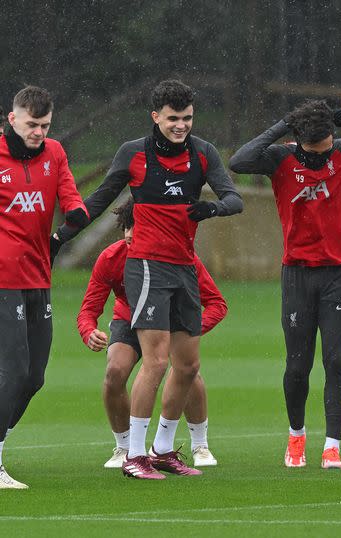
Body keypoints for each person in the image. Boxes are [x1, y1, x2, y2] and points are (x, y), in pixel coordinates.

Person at [54, 79, 243, 479]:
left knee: (187, 367)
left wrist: (211, 210)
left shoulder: (203, 153)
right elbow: (99, 200)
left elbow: (234, 198)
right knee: (155, 361)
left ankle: (161, 450)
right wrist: (59, 238)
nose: (181, 126)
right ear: (155, 117)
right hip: (146, 266)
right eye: (173, 118)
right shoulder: (134, 154)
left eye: (187, 118)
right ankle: (134, 456)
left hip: (184, 267)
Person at [230, 100, 341, 469]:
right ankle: (296, 438)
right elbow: (239, 161)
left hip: (337, 274)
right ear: (298, 142)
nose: (322, 158)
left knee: (336, 360)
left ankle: (332, 446)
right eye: (315, 153)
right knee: (297, 365)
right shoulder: (279, 159)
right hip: (296, 274)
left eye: (327, 148)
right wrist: (282, 124)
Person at [77, 197, 227, 469]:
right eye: (127, 227)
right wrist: (89, 332)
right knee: (115, 371)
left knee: (188, 369)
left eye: (139, 226)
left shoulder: (184, 258)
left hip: (170, 322)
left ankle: (199, 445)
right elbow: (88, 309)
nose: (131, 234)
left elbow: (217, 303)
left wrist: (188, 331)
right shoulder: (110, 258)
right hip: (129, 319)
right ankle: (124, 448)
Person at [0, 86, 88, 489]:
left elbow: (74, 204)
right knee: (13, 372)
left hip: (39, 276)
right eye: (32, 124)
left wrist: (61, 235)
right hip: (3, 279)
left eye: (45, 125)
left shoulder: (54, 153)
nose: (38, 132)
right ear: (12, 118)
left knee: (34, 377)